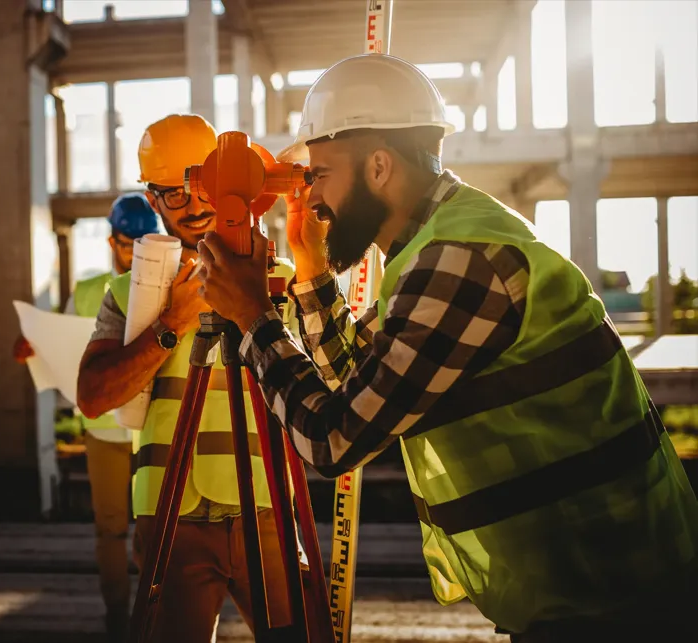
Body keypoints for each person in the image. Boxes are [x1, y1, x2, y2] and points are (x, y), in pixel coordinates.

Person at [196, 54, 698, 642]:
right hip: (592, 585)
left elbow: (334, 439)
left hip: (617, 599)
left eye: (321, 174)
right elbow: (356, 382)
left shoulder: (457, 261)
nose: (314, 198)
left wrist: (253, 317)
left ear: (379, 166)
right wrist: (309, 269)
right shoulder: (438, 247)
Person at [76, 113, 302, 643]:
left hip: (265, 509)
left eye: (203, 184)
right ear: (152, 200)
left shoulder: (284, 281)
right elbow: (93, 398)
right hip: (169, 514)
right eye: (174, 194)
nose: (197, 204)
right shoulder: (129, 294)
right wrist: (169, 324)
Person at [15, 193, 162, 642]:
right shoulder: (86, 291)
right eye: (126, 242)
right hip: (104, 429)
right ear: (111, 240)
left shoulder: (170, 285)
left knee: (159, 530)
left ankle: (156, 615)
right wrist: (33, 346)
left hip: (154, 427)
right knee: (111, 530)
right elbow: (62, 343)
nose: (133, 252)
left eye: (142, 242)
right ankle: (119, 619)